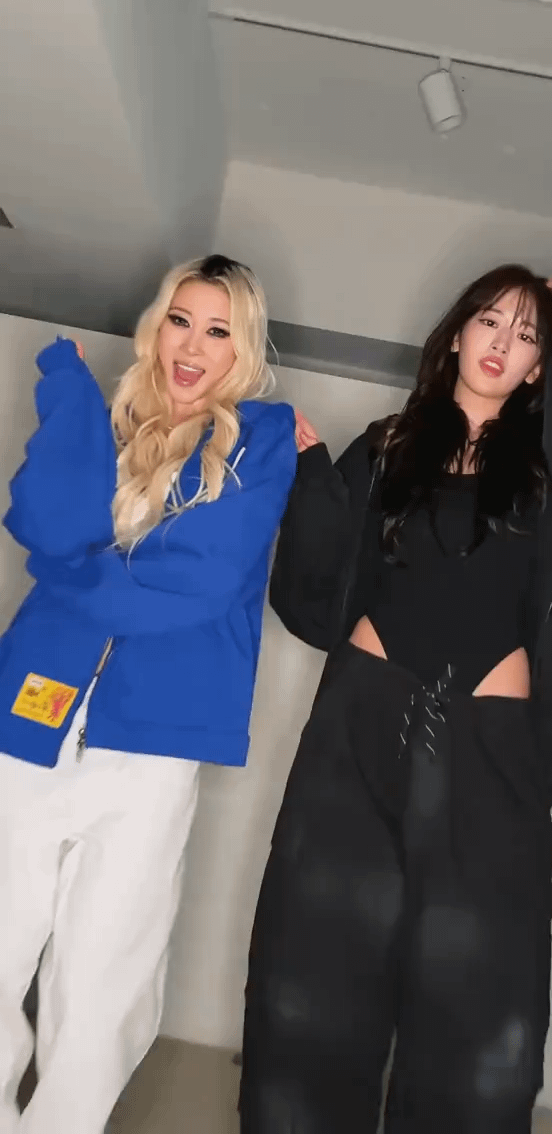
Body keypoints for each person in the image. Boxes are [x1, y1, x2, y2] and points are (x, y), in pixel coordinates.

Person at [239, 266, 552, 1134]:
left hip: (490, 750)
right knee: (316, 962)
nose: (502, 343)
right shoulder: (388, 445)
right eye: (490, 321)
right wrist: (310, 472)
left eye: (528, 336)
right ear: (456, 333)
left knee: (479, 996)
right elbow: (317, 593)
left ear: (541, 368)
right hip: (359, 729)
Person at [0, 254, 296, 1134]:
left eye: (218, 330)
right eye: (180, 320)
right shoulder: (106, 423)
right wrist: (67, 393)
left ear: (243, 348)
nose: (193, 347)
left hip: (153, 745)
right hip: (27, 721)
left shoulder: (262, 440)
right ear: (156, 327)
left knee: (105, 979)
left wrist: (71, 571)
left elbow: (196, 580)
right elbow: (39, 521)